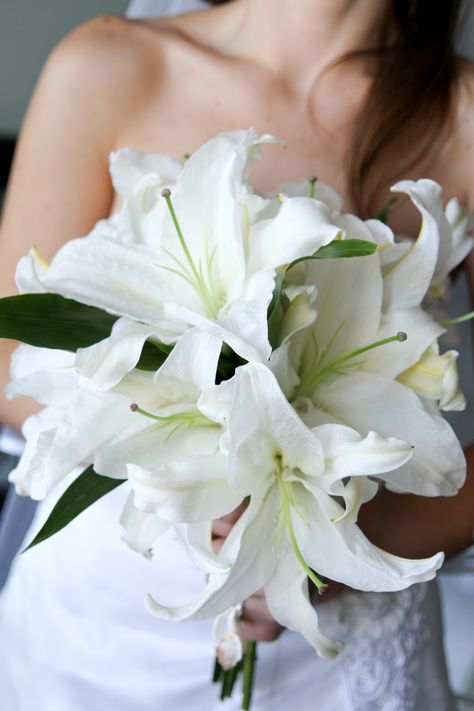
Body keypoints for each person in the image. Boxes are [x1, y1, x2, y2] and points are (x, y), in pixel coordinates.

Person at [0, 1, 473, 708]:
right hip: (97, 635)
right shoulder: (108, 66)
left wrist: (352, 541)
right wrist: (213, 454)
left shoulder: (462, 118)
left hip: (334, 653)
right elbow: (12, 362)